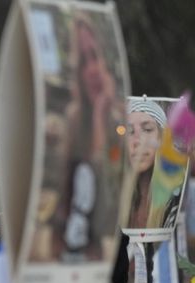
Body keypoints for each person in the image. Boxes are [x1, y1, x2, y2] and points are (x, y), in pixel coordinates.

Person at [62, 14, 124, 260]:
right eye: (83, 62)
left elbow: (111, 194)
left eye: (95, 56)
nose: (93, 70)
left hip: (111, 250)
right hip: (74, 249)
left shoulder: (123, 120)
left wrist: (103, 117)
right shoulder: (72, 120)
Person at [126, 98, 166, 229]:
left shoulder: (175, 199)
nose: (138, 141)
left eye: (147, 130)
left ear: (161, 138)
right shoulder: (113, 198)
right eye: (130, 131)